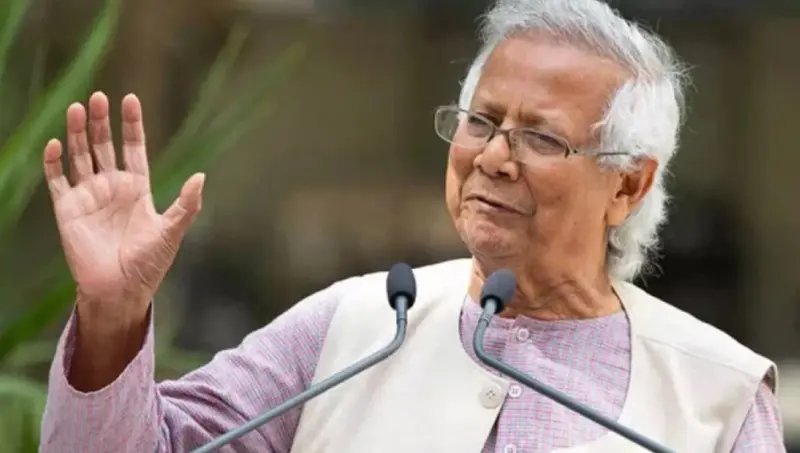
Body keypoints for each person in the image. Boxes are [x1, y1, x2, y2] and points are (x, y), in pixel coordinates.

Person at [39, 0, 785, 452]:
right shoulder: (352, 330)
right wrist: (114, 313)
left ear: (627, 184)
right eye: (481, 122)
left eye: (540, 136)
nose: (492, 157)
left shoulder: (714, 392)